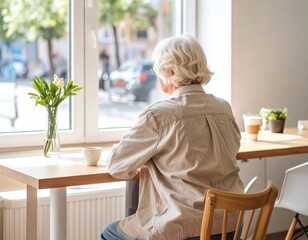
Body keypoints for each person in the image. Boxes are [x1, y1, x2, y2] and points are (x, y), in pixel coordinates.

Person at [101, 35, 244, 240]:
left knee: (109, 232)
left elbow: (117, 165)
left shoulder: (159, 115)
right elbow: (231, 150)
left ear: (169, 72)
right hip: (230, 226)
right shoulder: (224, 108)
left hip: (184, 229)